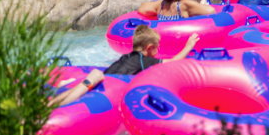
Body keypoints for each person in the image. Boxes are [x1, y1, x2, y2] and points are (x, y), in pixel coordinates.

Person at [49, 26, 199, 107]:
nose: (158, 49)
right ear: (149, 48)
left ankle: (69, 83)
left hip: (105, 77)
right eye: (157, 46)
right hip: (105, 86)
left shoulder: (127, 57)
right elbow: (172, 63)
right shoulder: (145, 61)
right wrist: (188, 46)